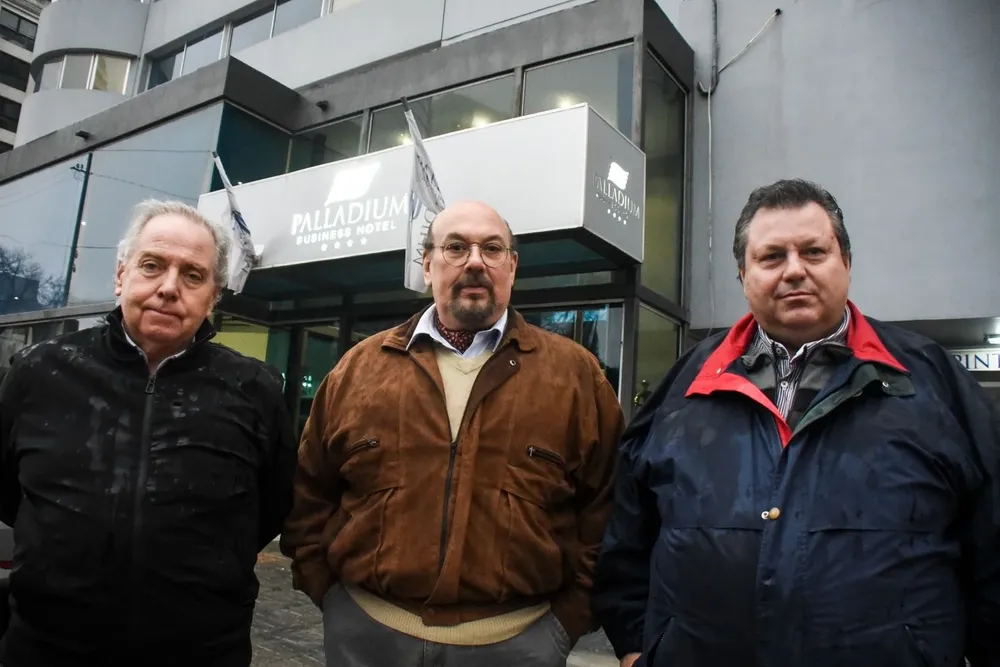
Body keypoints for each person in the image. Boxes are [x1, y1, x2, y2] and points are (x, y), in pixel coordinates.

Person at [592, 179, 1000, 667]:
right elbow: (630, 527)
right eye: (772, 257)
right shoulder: (689, 381)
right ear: (743, 274)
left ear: (845, 262)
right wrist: (637, 643)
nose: (794, 271)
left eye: (813, 251)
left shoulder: (929, 379)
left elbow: (992, 536)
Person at [281, 200, 625, 667]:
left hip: (518, 645)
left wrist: (567, 620)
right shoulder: (359, 369)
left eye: (493, 248)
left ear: (512, 266)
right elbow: (311, 491)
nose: (476, 262)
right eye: (456, 247)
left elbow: (607, 507)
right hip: (367, 636)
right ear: (427, 264)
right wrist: (331, 596)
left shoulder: (576, 376)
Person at [0, 199, 297, 666]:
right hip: (48, 648)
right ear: (122, 276)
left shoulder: (255, 388)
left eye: (193, 275)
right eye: (152, 266)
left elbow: (271, 507)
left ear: (214, 296)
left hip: (199, 652)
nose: (169, 288)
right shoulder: (41, 372)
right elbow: (10, 494)